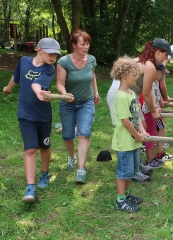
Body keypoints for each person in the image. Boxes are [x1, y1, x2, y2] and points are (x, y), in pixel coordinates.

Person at [2, 38, 61, 203]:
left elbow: (37, 85)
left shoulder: (50, 69)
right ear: (39, 50)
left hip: (43, 116)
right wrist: (8, 89)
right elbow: (16, 77)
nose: (53, 57)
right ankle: (30, 188)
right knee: (30, 149)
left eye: (55, 55)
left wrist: (38, 92)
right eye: (50, 53)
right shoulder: (24, 61)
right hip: (25, 114)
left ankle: (44, 173)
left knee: (44, 146)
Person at [56, 29, 100, 183]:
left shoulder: (92, 59)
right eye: (83, 44)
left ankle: (81, 169)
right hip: (68, 104)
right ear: (74, 45)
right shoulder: (64, 62)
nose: (86, 47)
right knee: (68, 135)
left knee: (83, 134)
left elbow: (92, 75)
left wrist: (96, 91)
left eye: (87, 44)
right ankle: (71, 157)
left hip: (86, 103)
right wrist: (64, 94)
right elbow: (60, 84)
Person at [111, 56, 149, 212]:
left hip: (133, 141)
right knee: (123, 172)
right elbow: (126, 121)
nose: (137, 77)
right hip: (125, 142)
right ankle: (120, 201)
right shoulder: (120, 96)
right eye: (134, 75)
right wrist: (137, 136)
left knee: (131, 171)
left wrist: (143, 130)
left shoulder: (132, 94)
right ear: (124, 76)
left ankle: (126, 195)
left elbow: (136, 115)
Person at [130, 38, 173, 169]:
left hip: (126, 96)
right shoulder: (150, 66)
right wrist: (154, 112)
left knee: (139, 127)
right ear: (158, 52)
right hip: (125, 97)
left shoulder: (140, 60)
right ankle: (133, 167)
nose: (166, 58)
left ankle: (136, 164)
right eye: (166, 54)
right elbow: (147, 93)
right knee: (135, 130)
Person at [141, 64, 173, 162]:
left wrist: (161, 103)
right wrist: (154, 108)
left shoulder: (155, 82)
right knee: (151, 134)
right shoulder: (149, 82)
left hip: (154, 111)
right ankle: (150, 160)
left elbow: (157, 94)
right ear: (155, 72)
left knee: (161, 127)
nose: (162, 76)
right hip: (149, 111)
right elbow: (148, 97)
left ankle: (159, 153)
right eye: (161, 73)